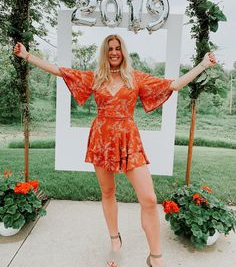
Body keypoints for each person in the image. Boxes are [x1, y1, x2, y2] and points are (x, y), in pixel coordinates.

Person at [13, 35, 216, 267]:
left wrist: (203, 65)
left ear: (123, 51)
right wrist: (27, 56)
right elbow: (61, 71)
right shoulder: (96, 77)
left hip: (128, 139)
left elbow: (173, 85)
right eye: (110, 48)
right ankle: (115, 241)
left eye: (118, 48)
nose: (114, 52)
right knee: (108, 192)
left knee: (149, 199)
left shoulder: (135, 77)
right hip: (101, 138)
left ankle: (155, 257)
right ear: (105, 52)